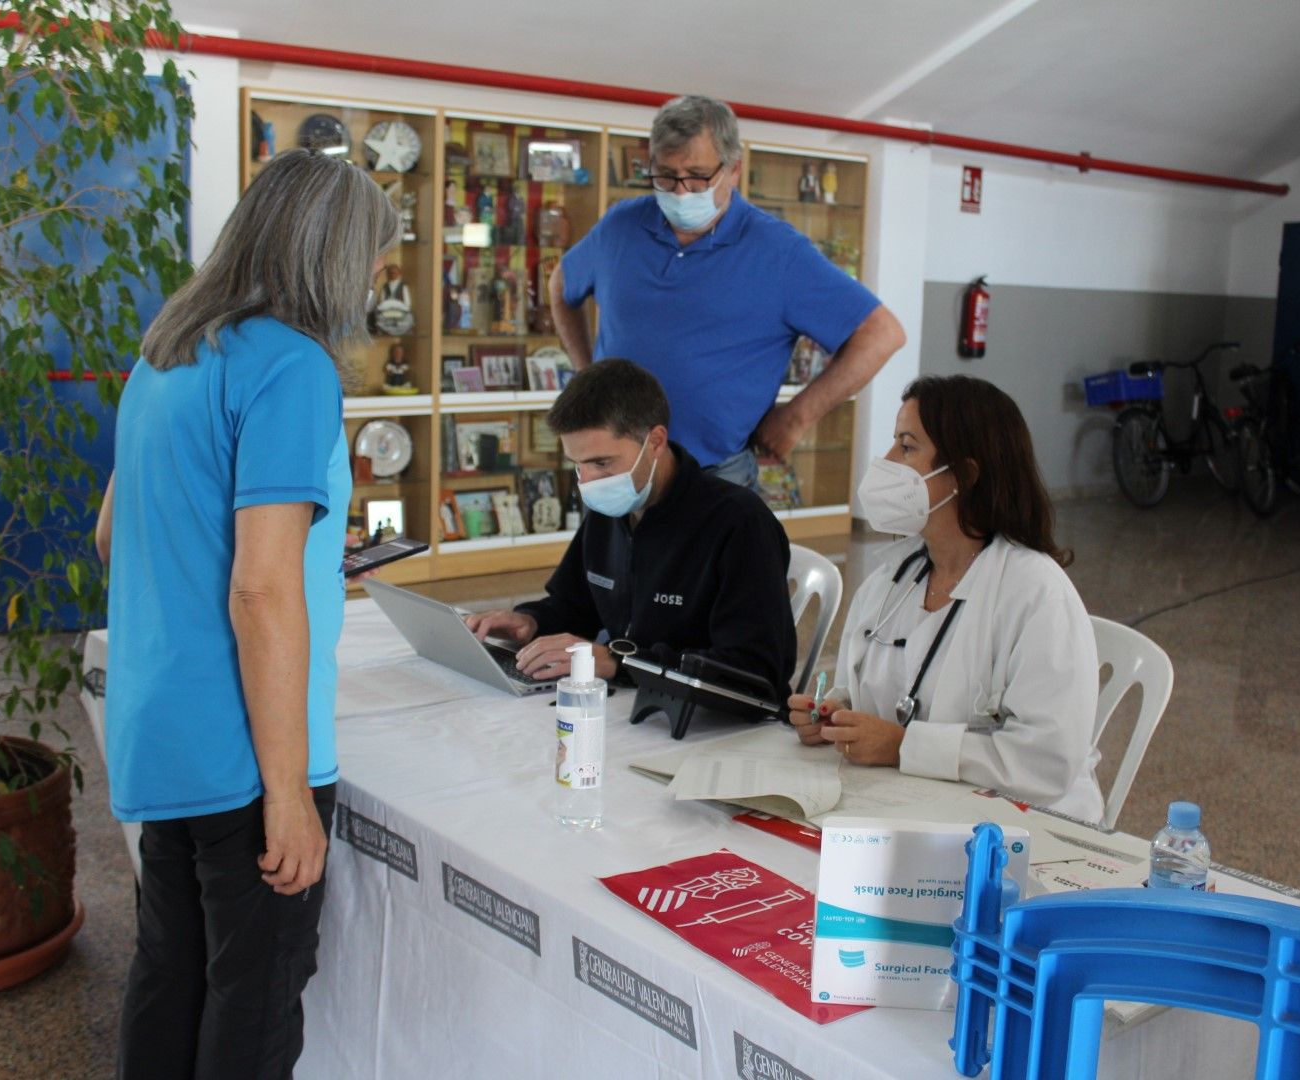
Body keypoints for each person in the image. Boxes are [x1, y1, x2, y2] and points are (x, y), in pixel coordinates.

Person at [98, 148, 397, 1079]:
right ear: (334, 255)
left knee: (170, 970)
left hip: (159, 726)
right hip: (245, 748)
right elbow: (261, 588)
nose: (381, 277)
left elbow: (116, 533)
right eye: (378, 258)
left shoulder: (169, 351)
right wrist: (285, 793)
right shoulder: (295, 366)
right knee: (254, 999)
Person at [785, 375, 1104, 822]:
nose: (887, 462)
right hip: (906, 807)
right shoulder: (890, 580)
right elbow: (878, 693)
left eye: (907, 447)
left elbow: (1045, 763)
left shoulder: (1036, 593)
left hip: (1020, 829)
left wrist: (903, 747)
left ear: (964, 476)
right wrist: (837, 716)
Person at [548, 94, 905, 490]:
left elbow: (882, 334)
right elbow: (561, 283)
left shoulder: (779, 252)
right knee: (605, 556)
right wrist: (587, 373)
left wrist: (798, 415)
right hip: (613, 468)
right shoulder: (621, 225)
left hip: (715, 472)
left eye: (698, 176)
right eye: (665, 176)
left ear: (734, 170)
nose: (681, 193)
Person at [464, 359, 797, 697]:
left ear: (655, 441)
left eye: (602, 462)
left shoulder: (739, 523)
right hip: (635, 703)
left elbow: (756, 669)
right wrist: (530, 622)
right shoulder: (614, 505)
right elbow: (577, 605)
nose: (588, 481)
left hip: (715, 724)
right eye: (577, 465)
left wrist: (619, 662)